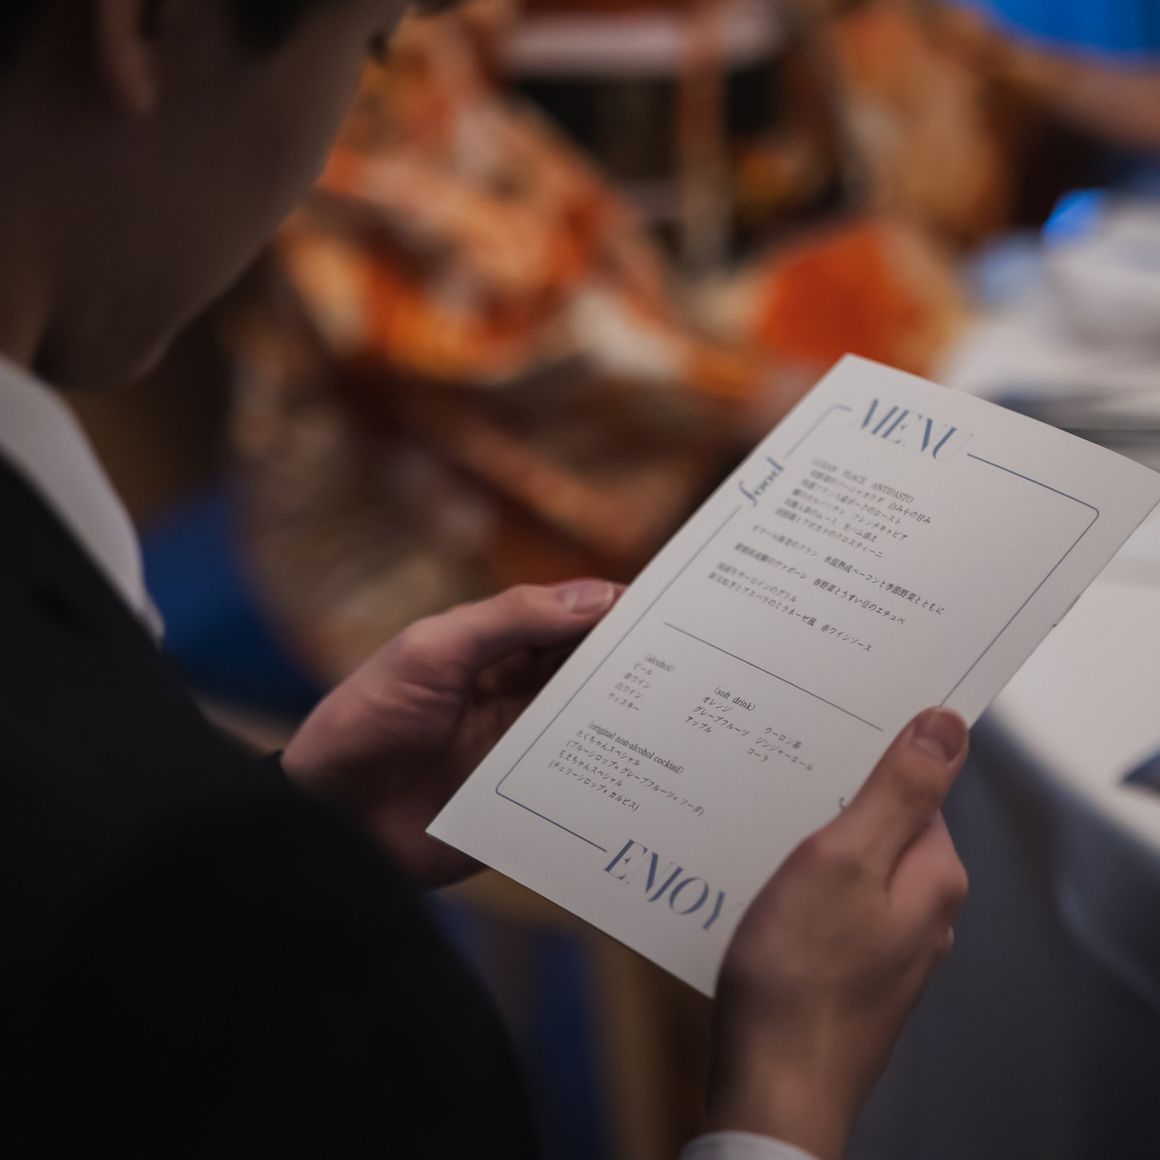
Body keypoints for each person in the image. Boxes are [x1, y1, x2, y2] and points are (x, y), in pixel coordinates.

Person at [0, 2, 970, 1157]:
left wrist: (298, 813)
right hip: (456, 474)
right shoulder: (312, 1003)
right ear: (143, 27)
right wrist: (784, 1085)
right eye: (367, 42)